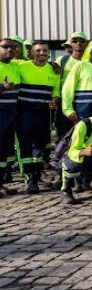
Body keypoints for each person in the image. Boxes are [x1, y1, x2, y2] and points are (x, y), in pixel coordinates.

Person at [15, 41, 60, 193]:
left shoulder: (53, 70)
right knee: (26, 148)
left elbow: (55, 91)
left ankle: (37, 174)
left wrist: (54, 98)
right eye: (38, 50)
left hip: (43, 114)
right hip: (24, 114)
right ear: (32, 53)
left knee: (41, 149)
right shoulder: (21, 67)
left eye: (45, 50)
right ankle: (30, 180)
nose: (42, 53)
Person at [0, 39, 20, 195]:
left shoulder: (15, 66)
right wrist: (2, 87)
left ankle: (1, 183)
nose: (10, 50)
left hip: (10, 114)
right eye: (5, 46)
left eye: (13, 47)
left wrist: (54, 67)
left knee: (6, 151)